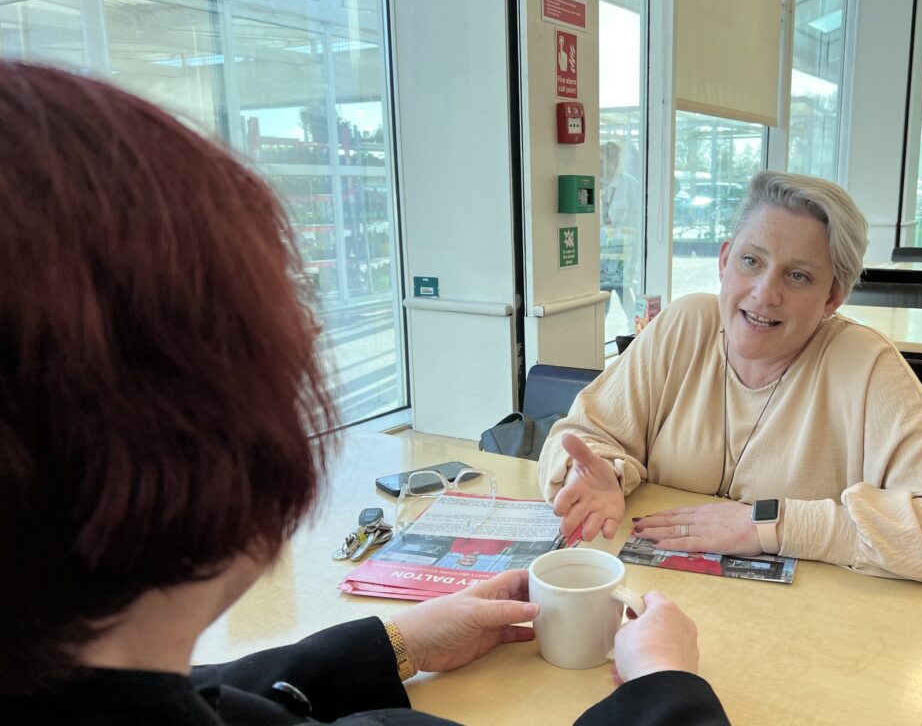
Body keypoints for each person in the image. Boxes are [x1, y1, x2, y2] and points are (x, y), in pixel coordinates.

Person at [0, 62, 730, 725]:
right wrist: (666, 689)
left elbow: (190, 694)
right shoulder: (683, 326)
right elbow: (591, 434)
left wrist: (396, 645)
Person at [539, 171, 922, 584]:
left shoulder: (864, 363)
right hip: (655, 601)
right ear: (724, 261)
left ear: (832, 297)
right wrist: (599, 476)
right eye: (751, 261)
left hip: (799, 628)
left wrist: (772, 524)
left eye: (798, 276)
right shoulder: (685, 325)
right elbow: (579, 436)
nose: (765, 293)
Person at [599, 141, 642, 318]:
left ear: (614, 161)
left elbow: (640, 223)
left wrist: (635, 259)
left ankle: (637, 332)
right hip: (602, 259)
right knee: (601, 306)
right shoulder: (595, 184)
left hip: (624, 257)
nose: (599, 166)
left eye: (602, 162)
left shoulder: (630, 185)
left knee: (629, 303)